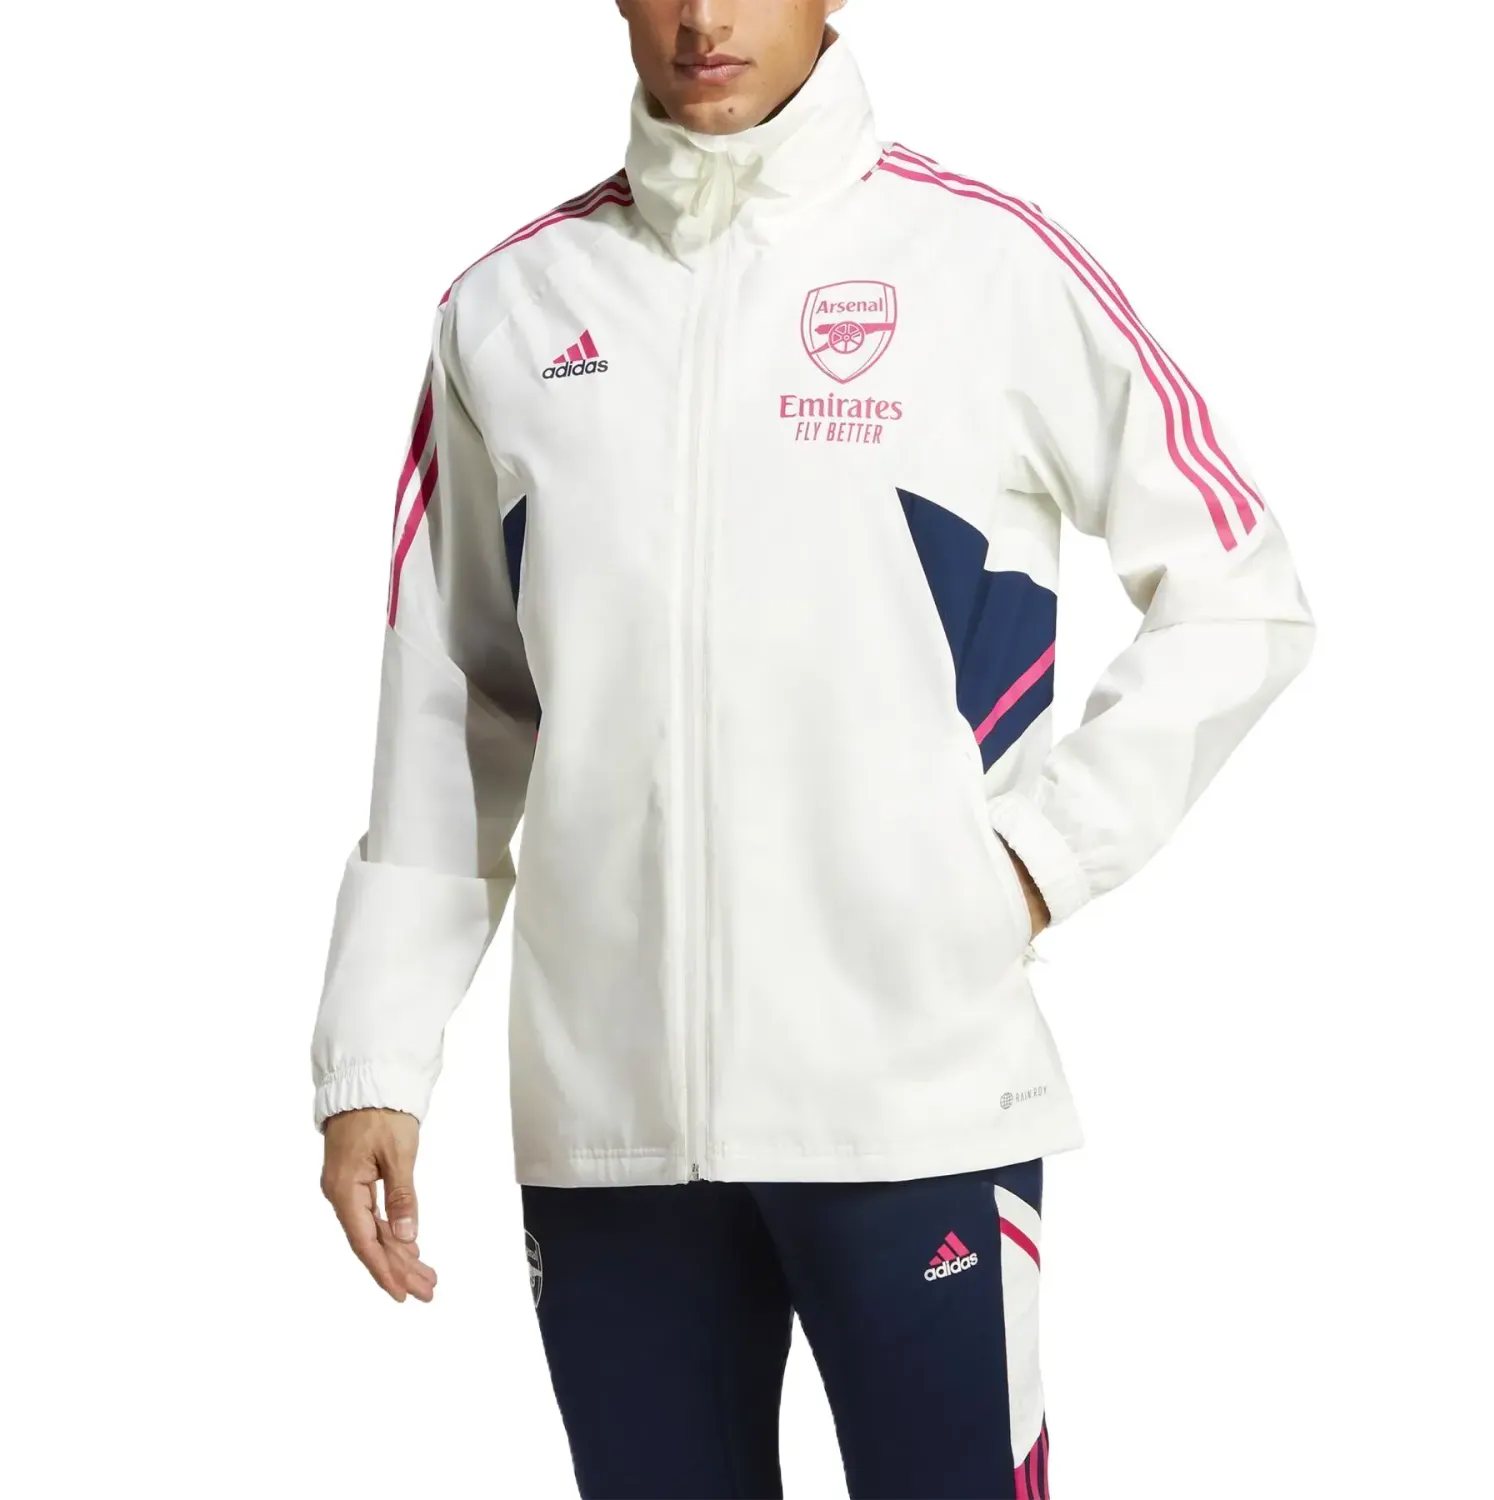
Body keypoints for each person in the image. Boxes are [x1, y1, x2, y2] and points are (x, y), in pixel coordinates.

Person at [310, 2, 1315, 1495]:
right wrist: (375, 1056)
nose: (703, 18)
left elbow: (1242, 593)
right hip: (608, 1128)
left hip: (911, 1099)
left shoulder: (985, 267)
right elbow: (454, 699)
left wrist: (1035, 861)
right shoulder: (509, 309)